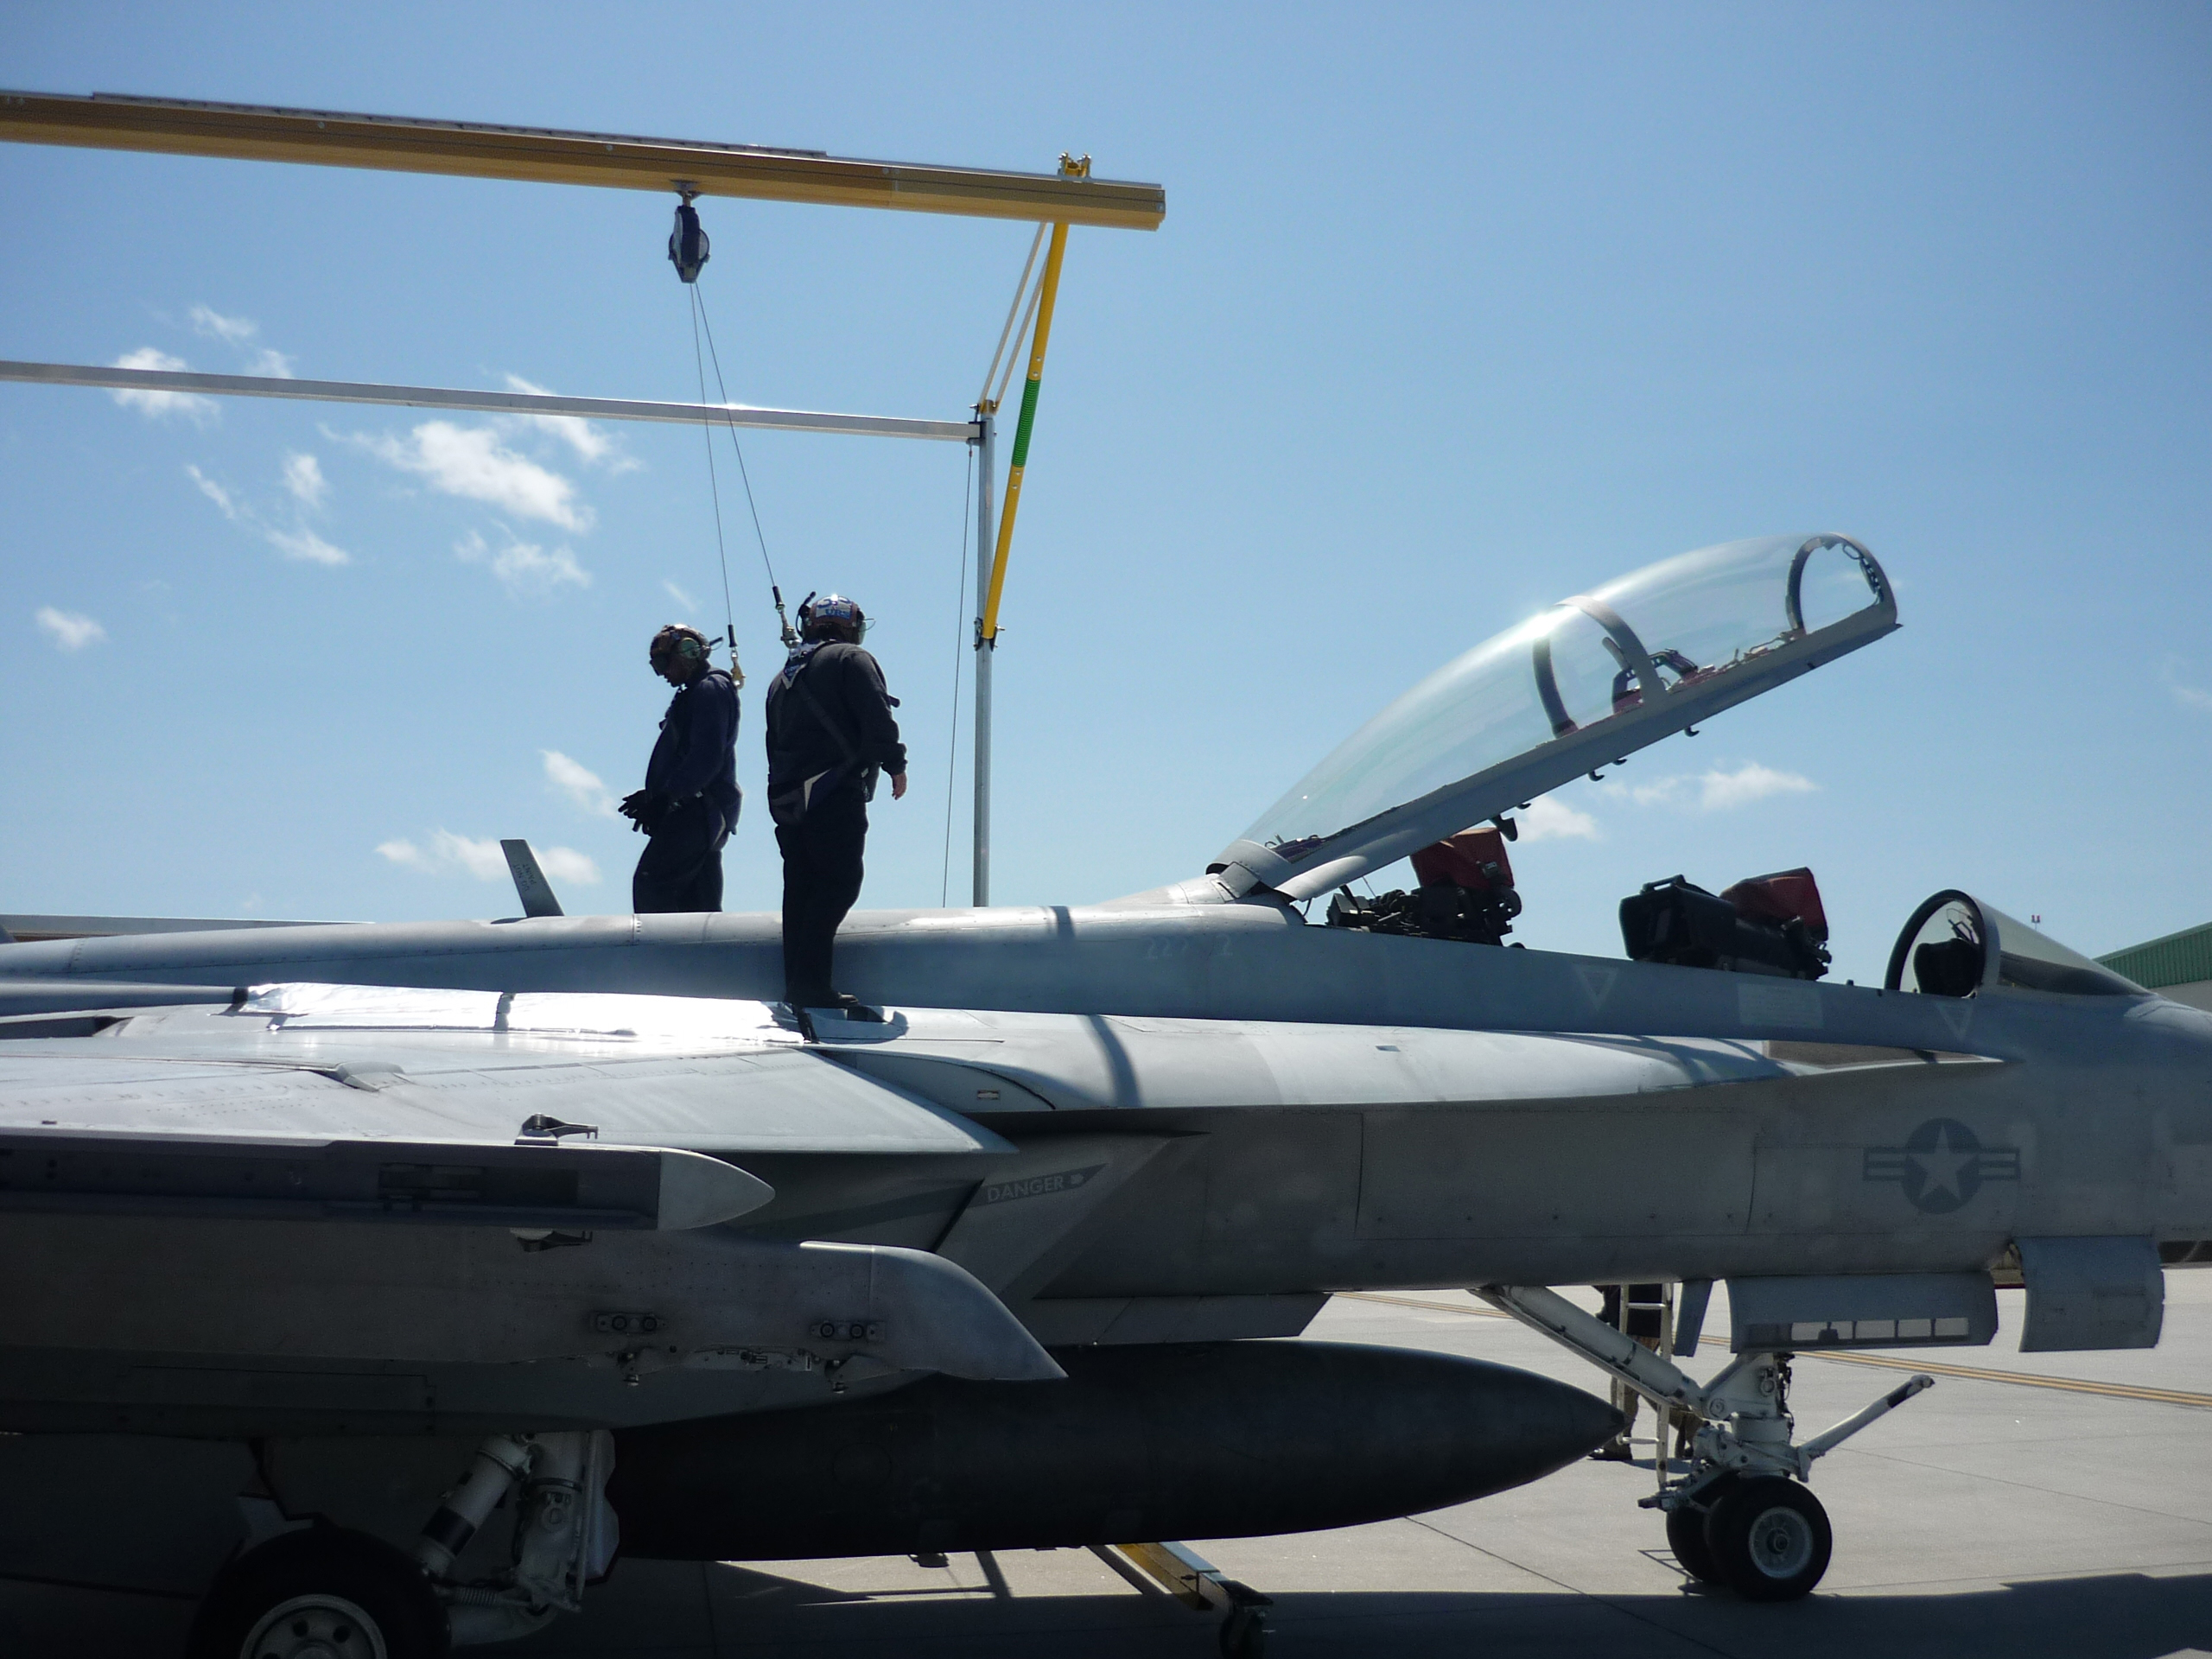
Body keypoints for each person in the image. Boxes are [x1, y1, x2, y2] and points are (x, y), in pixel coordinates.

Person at [764, 593, 906, 1015]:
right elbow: (877, 718)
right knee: (839, 883)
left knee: (800, 890)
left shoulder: (783, 676)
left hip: (787, 801)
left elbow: (772, 741)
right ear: (851, 625)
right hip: (833, 792)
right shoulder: (852, 659)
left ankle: (798, 983)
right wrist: (896, 764)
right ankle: (811, 985)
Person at [620, 623, 741, 913]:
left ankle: (658, 959)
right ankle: (707, 960)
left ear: (689, 652)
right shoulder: (699, 691)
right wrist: (655, 795)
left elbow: (706, 757)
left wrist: (666, 797)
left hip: (697, 812)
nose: (662, 673)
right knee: (698, 904)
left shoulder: (710, 689)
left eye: (663, 663)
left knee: (653, 883)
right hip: (702, 810)